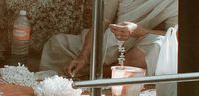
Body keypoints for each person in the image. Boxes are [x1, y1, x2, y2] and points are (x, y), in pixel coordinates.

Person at [40, 0, 178, 78]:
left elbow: (173, 34)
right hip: (109, 42)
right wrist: (83, 56)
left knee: (155, 48)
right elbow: (101, 23)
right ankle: (91, 69)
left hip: (140, 42)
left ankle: (95, 73)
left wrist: (139, 31)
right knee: (57, 43)